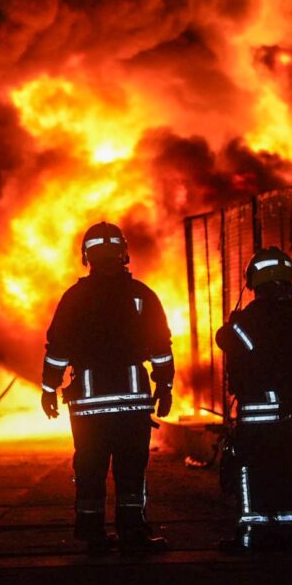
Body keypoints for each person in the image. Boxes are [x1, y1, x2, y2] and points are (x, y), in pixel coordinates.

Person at [41, 221, 174, 554]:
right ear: (123, 253)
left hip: (89, 404)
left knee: (90, 467)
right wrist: (165, 385)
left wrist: (49, 388)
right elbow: (160, 346)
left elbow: (58, 349)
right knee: (131, 469)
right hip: (133, 403)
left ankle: (92, 534)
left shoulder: (74, 298)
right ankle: (133, 533)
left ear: (86, 257)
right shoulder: (141, 296)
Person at [215, 246, 292, 552]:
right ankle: (288, 535)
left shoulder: (251, 317)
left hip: (258, 413)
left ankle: (252, 536)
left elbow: (233, 343)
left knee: (250, 472)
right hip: (289, 413)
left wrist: (232, 326)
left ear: (253, 281)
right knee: (285, 472)